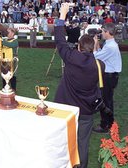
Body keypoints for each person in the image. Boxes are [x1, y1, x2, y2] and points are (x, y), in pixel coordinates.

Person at [54, 3, 105, 168]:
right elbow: (93, 58)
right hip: (86, 110)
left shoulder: (71, 57)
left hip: (67, 108)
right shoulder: (99, 65)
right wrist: (95, 46)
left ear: (78, 46)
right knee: (83, 143)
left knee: (64, 141)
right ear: (93, 48)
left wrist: (62, 16)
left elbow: (60, 40)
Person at [92, 22, 122, 133]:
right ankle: (109, 123)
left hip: (109, 76)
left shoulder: (110, 46)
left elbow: (95, 56)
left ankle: (106, 125)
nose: (102, 33)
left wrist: (95, 43)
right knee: (106, 99)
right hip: (110, 76)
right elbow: (101, 54)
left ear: (108, 32)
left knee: (105, 101)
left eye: (103, 31)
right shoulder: (110, 44)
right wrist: (97, 44)